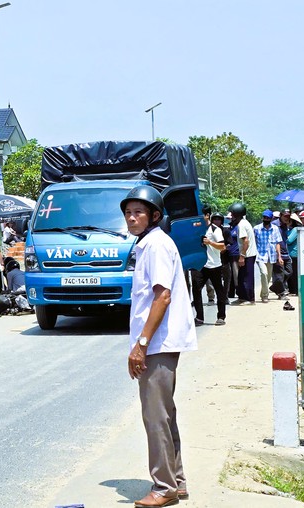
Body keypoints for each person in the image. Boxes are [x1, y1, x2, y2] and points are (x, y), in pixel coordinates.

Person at [120, 187, 196, 507]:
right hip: (157, 341)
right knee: (164, 415)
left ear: (154, 215)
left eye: (138, 212)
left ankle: (163, 488)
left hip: (157, 343)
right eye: (128, 213)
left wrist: (141, 343)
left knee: (155, 416)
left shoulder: (156, 245)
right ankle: (175, 483)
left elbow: (162, 296)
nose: (132, 218)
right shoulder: (148, 244)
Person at [191, 211, 227, 326]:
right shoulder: (196, 229)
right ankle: (199, 317)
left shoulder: (215, 230)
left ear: (207, 216)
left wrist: (210, 242)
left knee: (219, 290)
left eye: (203, 215)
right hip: (200, 265)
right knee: (196, 290)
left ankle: (221, 316)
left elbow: (222, 247)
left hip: (214, 265)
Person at [230, 203, 257, 305]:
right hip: (248, 254)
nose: (231, 216)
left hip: (248, 255)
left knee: (247, 278)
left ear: (237, 214)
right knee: (241, 277)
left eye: (232, 214)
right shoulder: (244, 222)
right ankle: (242, 297)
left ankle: (249, 299)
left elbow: (246, 241)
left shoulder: (241, 225)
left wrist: (242, 256)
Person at [254, 209, 283, 303]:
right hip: (260, 255)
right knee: (264, 273)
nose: (265, 219)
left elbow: (278, 243)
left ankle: (263, 293)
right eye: (264, 217)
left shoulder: (275, 229)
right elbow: (253, 242)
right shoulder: (256, 228)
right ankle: (265, 295)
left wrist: (279, 256)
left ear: (271, 219)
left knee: (268, 277)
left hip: (271, 256)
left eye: (267, 218)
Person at [286, 213, 302, 295]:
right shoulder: (289, 229)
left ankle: (295, 290)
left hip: (294, 254)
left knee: (293, 273)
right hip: (289, 253)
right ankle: (291, 290)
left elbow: (289, 240)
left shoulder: (295, 229)